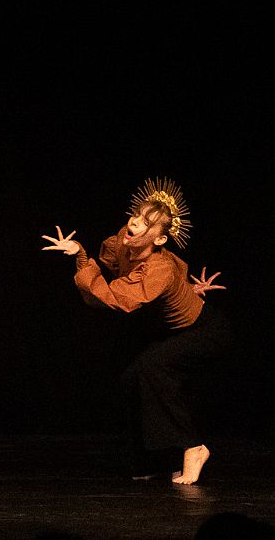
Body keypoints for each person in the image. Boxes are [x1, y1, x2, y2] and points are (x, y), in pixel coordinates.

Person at [41, 177, 230, 484]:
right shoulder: (125, 240)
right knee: (132, 378)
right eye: (137, 215)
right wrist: (185, 290)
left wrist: (80, 257)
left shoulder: (159, 268)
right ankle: (156, 461)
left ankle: (194, 447)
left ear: (160, 239)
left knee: (152, 368)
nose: (135, 222)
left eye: (147, 223)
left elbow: (114, 298)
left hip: (204, 331)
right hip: (175, 331)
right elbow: (115, 263)